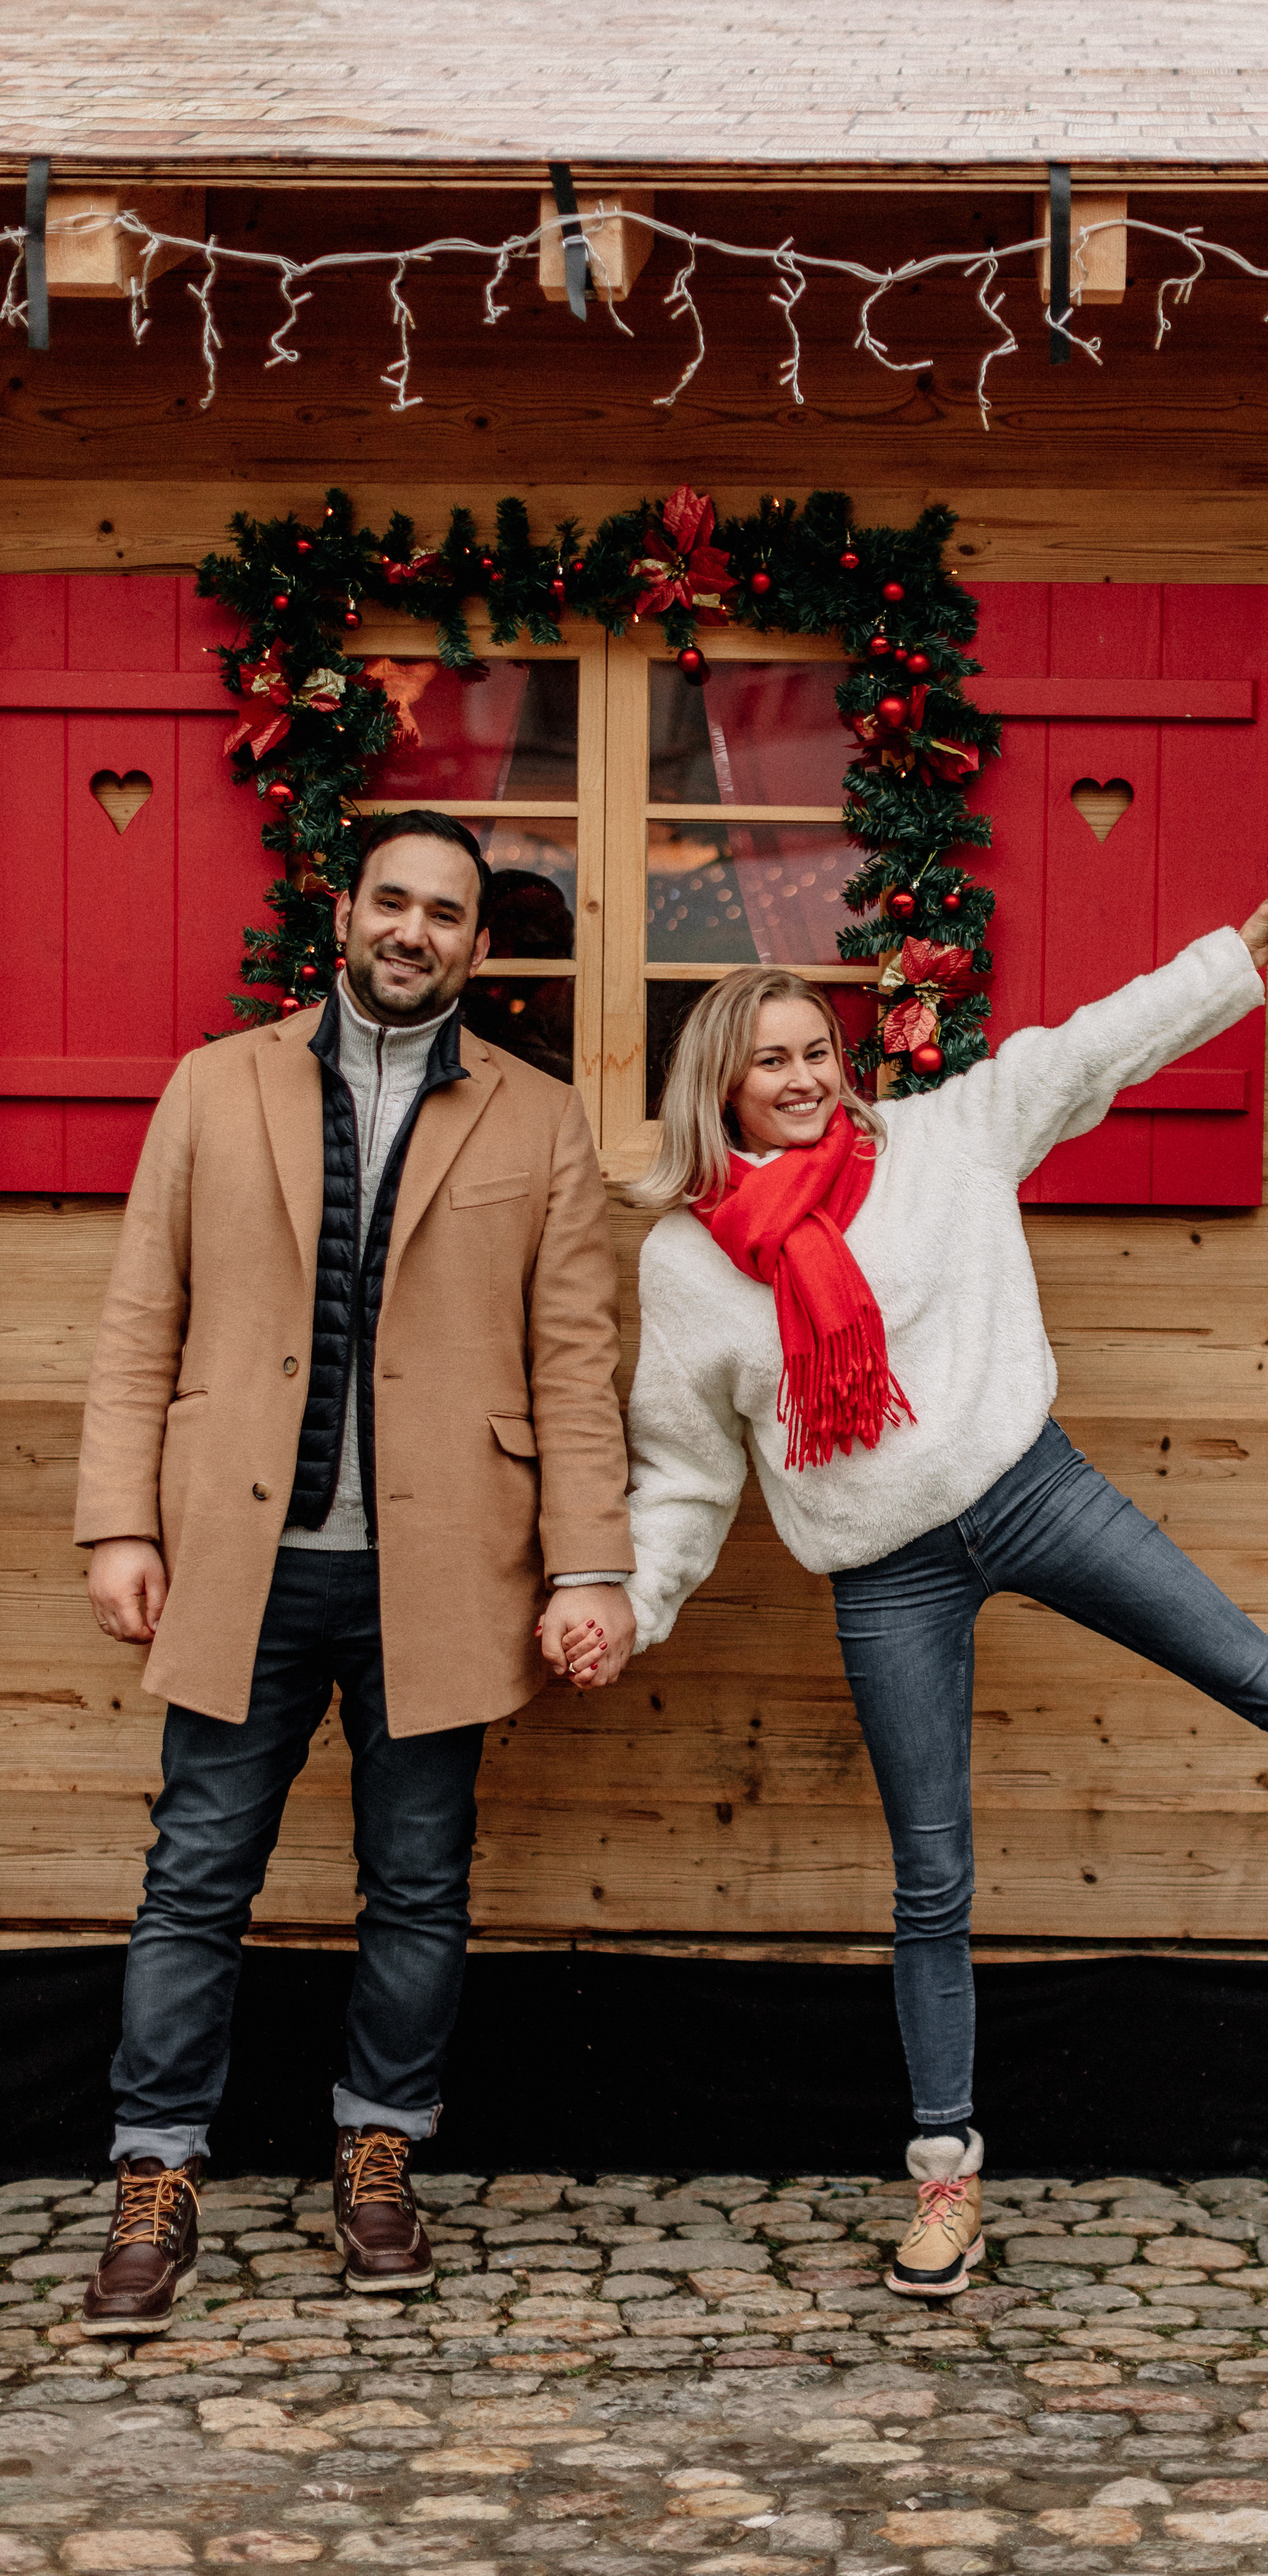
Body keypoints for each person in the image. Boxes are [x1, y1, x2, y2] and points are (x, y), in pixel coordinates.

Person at [598, 894, 1268, 2301]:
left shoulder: (938, 1139)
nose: (806, 1076)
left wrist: (1240, 954)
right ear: (721, 1083)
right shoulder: (688, 1260)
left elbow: (1090, 1048)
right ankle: (944, 2179)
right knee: (931, 1878)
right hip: (882, 1570)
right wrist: (632, 1604)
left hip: (1031, 1489)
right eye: (773, 1060)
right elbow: (686, 1473)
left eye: (819, 1049)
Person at [74, 808, 635, 2336]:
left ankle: (379, 2153)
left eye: (446, 913)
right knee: (195, 1877)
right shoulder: (214, 1087)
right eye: (393, 901)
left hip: (442, 1569)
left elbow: (576, 1365)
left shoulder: (540, 1120)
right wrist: (121, 1524)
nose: (413, 931)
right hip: (238, 1560)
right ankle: (155, 2171)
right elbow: (140, 1318)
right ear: (344, 914)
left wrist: (589, 1564)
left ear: (477, 944)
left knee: (420, 1884)